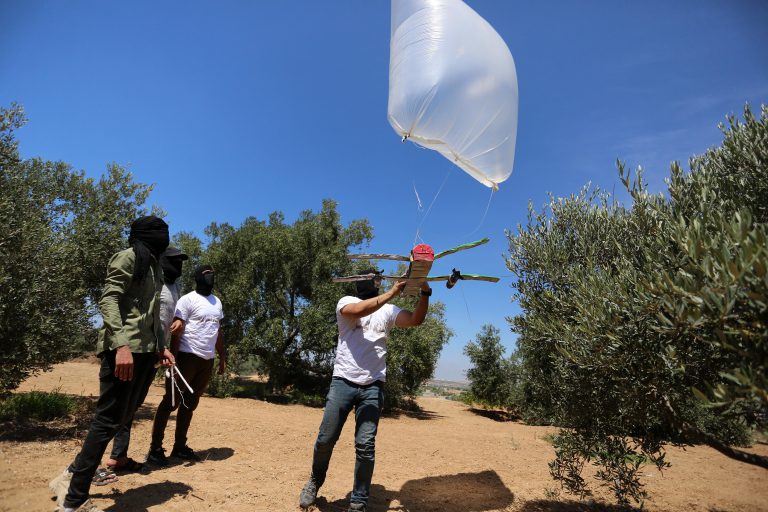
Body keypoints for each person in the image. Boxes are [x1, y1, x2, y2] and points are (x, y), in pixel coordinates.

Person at [49, 216, 176, 512]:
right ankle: (74, 502)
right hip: (123, 351)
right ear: (143, 235)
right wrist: (120, 344)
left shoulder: (155, 267)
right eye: (158, 232)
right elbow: (108, 300)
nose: (164, 237)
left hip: (145, 352)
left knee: (123, 417)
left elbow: (152, 313)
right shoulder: (127, 258)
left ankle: (69, 476)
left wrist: (163, 347)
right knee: (106, 421)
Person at [299, 273, 430, 512]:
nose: (371, 280)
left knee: (365, 446)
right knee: (325, 439)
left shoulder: (389, 310)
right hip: (343, 382)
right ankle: (315, 481)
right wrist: (392, 292)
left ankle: (358, 502)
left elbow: (414, 320)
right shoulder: (345, 301)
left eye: (374, 277)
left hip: (373, 386)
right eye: (368, 277)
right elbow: (357, 311)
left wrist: (425, 293)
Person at [103, 246, 189, 472]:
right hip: (135, 349)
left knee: (134, 403)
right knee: (119, 406)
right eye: (173, 261)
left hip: (155, 351)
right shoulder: (150, 281)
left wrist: (178, 325)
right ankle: (91, 463)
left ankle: (119, 455)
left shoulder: (175, 286)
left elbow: (171, 316)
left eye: (180, 262)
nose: (177, 266)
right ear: (161, 261)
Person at [147, 264, 226, 465]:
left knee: (190, 404)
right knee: (170, 402)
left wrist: (222, 357)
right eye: (207, 273)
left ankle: (179, 447)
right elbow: (177, 330)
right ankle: (155, 449)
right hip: (185, 357)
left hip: (207, 360)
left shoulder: (217, 302)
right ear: (198, 277)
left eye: (213, 273)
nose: (211, 276)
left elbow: (217, 332)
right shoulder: (187, 300)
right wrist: (172, 358)